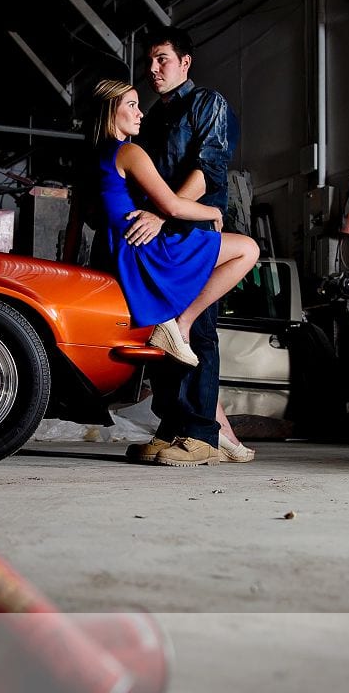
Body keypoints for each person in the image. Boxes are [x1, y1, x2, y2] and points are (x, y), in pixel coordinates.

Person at [88, 78, 259, 467]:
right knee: (248, 249)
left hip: (123, 254)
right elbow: (173, 206)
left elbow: (82, 216)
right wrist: (215, 212)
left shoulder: (94, 155)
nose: (140, 112)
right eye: (131, 105)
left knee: (186, 346)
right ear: (111, 111)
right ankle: (182, 323)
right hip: (149, 251)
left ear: (185, 63)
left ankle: (207, 433)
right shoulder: (129, 152)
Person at [128, 26, 255, 466]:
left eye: (162, 59)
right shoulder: (153, 116)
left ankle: (203, 436)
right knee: (165, 332)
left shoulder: (207, 104)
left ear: (186, 61)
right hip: (159, 236)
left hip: (194, 232)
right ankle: (173, 427)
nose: (153, 69)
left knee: (197, 332)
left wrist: (168, 211)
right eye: (149, 61)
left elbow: (210, 170)